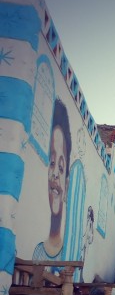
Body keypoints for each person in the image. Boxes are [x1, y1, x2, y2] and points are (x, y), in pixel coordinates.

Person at [32, 98, 72, 274]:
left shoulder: (70, 252)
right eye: (52, 162)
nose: (55, 173)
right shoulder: (38, 252)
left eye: (61, 167)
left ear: (67, 184)